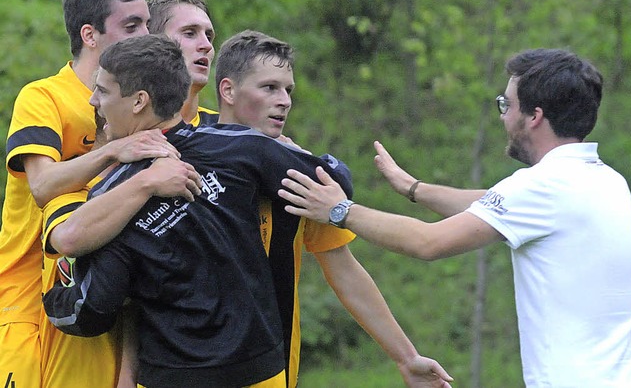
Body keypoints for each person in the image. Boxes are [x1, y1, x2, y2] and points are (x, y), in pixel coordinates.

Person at [42, 29, 453, 388]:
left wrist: (405, 357)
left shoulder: (258, 159)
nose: (284, 101)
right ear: (227, 90)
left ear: (138, 102)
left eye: (287, 90)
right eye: (270, 87)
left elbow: (342, 260)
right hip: (230, 369)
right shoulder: (239, 152)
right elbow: (108, 284)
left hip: (240, 370)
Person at [278, 48, 631, 388]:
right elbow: (488, 203)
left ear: (535, 117)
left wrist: (339, 210)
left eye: (507, 104)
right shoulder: (604, 180)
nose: (502, 115)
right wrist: (412, 188)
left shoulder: (542, 187)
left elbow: (428, 243)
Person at [0, 0, 181, 387]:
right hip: (30, 307)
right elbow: (43, 186)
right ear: (90, 34)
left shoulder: (137, 108)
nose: (145, 34)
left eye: (147, 24)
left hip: (103, 304)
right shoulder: (44, 97)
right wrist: (113, 150)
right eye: (131, 25)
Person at [147, 0, 218, 125]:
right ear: (152, 41)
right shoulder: (114, 126)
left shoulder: (229, 134)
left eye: (209, 37)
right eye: (190, 33)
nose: (207, 46)